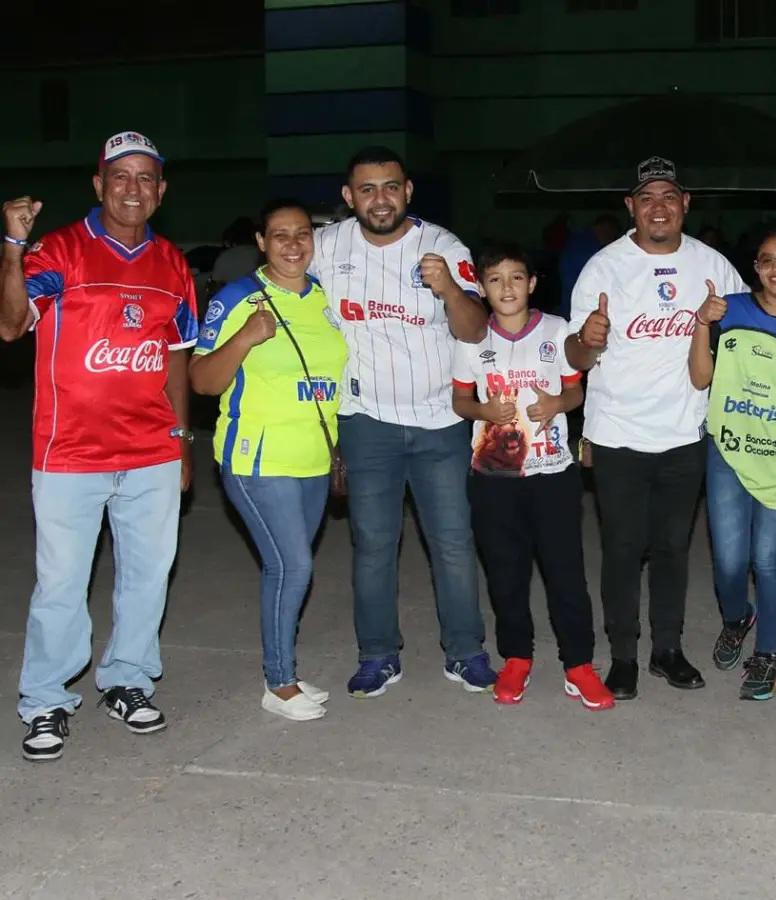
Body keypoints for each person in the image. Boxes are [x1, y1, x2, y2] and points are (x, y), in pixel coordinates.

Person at [566, 156, 776, 700]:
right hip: (617, 432)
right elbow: (576, 356)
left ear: (686, 204)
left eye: (669, 196)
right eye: (646, 198)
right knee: (620, 549)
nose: (658, 207)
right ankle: (622, 657)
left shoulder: (713, 266)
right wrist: (588, 340)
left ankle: (667, 649)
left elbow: (766, 304)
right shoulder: (602, 268)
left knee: (672, 548)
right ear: (630, 207)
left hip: (688, 432)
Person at [0, 131, 197, 761]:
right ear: (99, 184)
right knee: (60, 583)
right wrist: (11, 246)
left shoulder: (172, 264)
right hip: (70, 453)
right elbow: (10, 325)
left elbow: (176, 360)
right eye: (121, 176)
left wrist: (182, 439)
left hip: (152, 452)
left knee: (147, 578)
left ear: (161, 191)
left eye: (146, 178)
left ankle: (128, 681)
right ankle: (46, 699)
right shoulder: (60, 250)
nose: (132, 188)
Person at [310, 146, 495, 698]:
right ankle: (377, 655)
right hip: (366, 421)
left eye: (390, 187)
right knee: (373, 545)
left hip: (440, 420)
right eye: (366, 189)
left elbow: (475, 330)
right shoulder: (327, 246)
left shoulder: (443, 246)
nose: (380, 199)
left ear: (408, 190)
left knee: (454, 543)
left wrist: (450, 290)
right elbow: (275, 279)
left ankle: (465, 653)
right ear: (348, 198)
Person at [190, 199, 347, 721]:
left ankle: (288, 669)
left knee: (287, 568)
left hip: (314, 457)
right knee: (292, 564)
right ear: (261, 242)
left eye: (302, 234)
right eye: (280, 235)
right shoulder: (238, 298)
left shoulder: (325, 298)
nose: (292, 244)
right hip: (257, 457)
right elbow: (202, 381)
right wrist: (246, 336)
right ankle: (278, 682)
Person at [451, 243, 614, 711]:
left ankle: (578, 665)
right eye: (496, 279)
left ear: (533, 283)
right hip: (492, 478)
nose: (507, 288)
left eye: (517, 277)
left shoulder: (558, 330)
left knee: (565, 573)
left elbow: (575, 392)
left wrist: (556, 405)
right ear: (481, 288)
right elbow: (460, 402)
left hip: (552, 476)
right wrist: (484, 409)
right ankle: (517, 658)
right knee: (506, 574)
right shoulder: (472, 339)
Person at [687, 228, 776, 701]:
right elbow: (701, 377)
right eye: (766, 259)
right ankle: (737, 617)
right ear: (755, 268)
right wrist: (702, 324)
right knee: (728, 561)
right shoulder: (730, 310)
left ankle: (767, 656)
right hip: (728, 452)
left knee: (767, 559)